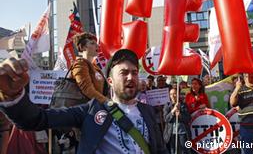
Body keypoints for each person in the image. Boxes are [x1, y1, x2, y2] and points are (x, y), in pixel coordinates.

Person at [0, 49, 167, 154]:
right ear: (109, 81)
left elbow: (159, 149)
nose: (131, 77)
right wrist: (12, 95)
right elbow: (37, 119)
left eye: (134, 72)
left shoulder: (148, 111)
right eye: (124, 72)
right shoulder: (91, 110)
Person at [72, 32, 107, 104]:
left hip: (96, 107)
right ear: (83, 47)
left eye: (96, 43)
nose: (97, 45)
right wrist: (107, 102)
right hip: (85, 109)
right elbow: (87, 89)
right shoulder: (80, 64)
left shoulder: (95, 66)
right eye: (92, 43)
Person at [163, 88, 191, 154]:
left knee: (184, 150)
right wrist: (173, 111)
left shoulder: (183, 105)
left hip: (182, 133)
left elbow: (188, 118)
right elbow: (166, 119)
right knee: (173, 151)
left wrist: (180, 115)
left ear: (178, 95)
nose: (173, 96)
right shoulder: (167, 105)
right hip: (172, 133)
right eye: (171, 94)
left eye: (174, 94)